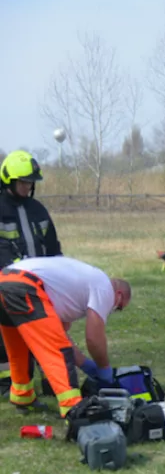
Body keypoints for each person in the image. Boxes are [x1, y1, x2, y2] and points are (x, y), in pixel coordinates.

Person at [0, 256, 131, 417]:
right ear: (119, 294)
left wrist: (84, 364)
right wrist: (104, 369)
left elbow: (62, 335)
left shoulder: (70, 294)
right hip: (25, 285)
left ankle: (23, 396)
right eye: (118, 307)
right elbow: (93, 338)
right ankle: (73, 407)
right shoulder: (105, 288)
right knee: (58, 352)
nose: (113, 310)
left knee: (19, 346)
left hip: (5, 279)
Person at [0, 150, 63, 394]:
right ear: (9, 181)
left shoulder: (38, 210)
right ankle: (9, 383)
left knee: (46, 334)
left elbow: (52, 246)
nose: (28, 187)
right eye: (24, 182)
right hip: (9, 286)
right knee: (9, 340)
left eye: (31, 183)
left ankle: (51, 381)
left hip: (40, 285)